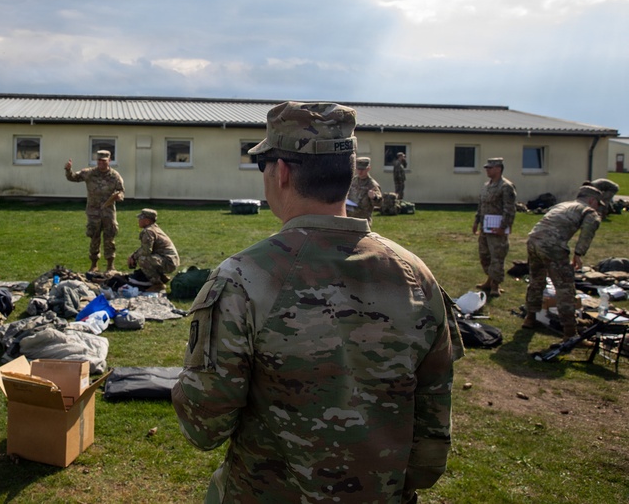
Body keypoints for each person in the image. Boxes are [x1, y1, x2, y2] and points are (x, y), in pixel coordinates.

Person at [172, 101, 460, 503]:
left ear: (283, 172)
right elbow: (431, 442)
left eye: (263, 166)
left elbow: (204, 425)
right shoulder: (416, 276)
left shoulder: (242, 278)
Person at [522, 185, 603, 339]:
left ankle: (530, 317)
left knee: (536, 281)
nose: (597, 206)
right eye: (598, 203)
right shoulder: (588, 211)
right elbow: (588, 231)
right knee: (565, 288)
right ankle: (570, 333)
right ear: (592, 200)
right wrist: (579, 253)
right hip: (552, 245)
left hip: (533, 240)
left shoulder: (563, 205)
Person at [64, 150, 125, 272]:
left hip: (108, 212)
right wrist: (68, 170)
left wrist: (119, 197)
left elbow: (121, 191)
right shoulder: (89, 173)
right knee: (94, 237)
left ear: (109, 161)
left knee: (109, 238)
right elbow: (73, 178)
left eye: (104, 161)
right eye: (99, 160)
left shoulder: (115, 176)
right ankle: (94, 264)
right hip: (93, 212)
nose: (101, 163)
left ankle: (110, 265)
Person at [472, 158, 517, 297]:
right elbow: (481, 205)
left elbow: (509, 209)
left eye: (490, 168)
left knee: (497, 256)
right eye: (486, 168)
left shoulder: (506, 186)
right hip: (486, 227)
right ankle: (489, 280)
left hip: (498, 229)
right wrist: (476, 221)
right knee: (485, 255)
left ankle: (495, 285)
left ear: (498, 169)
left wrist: (503, 227)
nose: (487, 170)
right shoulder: (486, 186)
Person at [127, 208, 179, 286]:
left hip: (168, 262)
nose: (139, 220)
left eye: (141, 218)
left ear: (147, 221)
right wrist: (133, 255)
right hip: (170, 260)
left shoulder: (148, 231)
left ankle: (157, 285)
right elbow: (145, 248)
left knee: (143, 259)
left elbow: (146, 251)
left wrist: (134, 257)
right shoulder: (154, 228)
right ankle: (162, 277)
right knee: (144, 257)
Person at [346, 156, 382, 225]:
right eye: (358, 169)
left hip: (363, 221)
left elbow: (379, 204)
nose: (360, 172)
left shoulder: (372, 184)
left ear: (368, 169)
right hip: (349, 219)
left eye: (363, 169)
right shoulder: (353, 181)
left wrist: (374, 197)